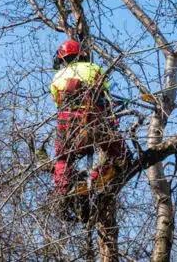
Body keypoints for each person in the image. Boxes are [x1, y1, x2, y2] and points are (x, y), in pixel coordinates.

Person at [50, 40, 131, 220]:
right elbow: (104, 94)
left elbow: (58, 102)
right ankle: (94, 180)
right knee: (123, 156)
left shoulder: (57, 78)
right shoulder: (94, 68)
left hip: (67, 122)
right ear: (80, 55)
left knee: (63, 157)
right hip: (95, 118)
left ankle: (62, 192)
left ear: (63, 59)